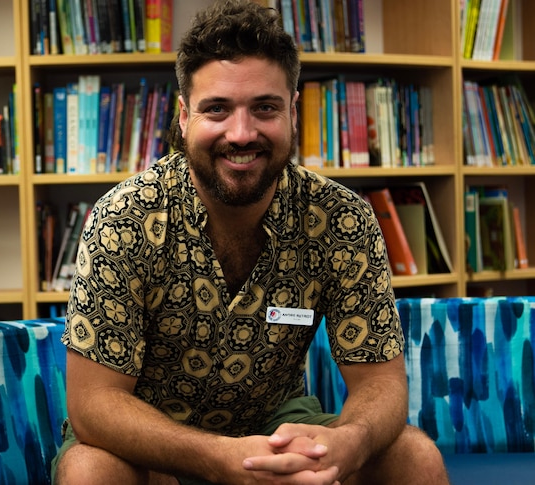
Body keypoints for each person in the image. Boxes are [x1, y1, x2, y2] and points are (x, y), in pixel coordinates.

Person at [51, 1, 449, 484]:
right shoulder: (124, 220)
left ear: (292, 111)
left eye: (264, 107)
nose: (241, 134)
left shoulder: (342, 220)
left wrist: (348, 441)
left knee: (415, 456)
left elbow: (382, 382)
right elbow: (93, 404)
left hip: (276, 428)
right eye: (217, 109)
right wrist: (219, 458)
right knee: (90, 470)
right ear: (183, 116)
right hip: (149, 438)